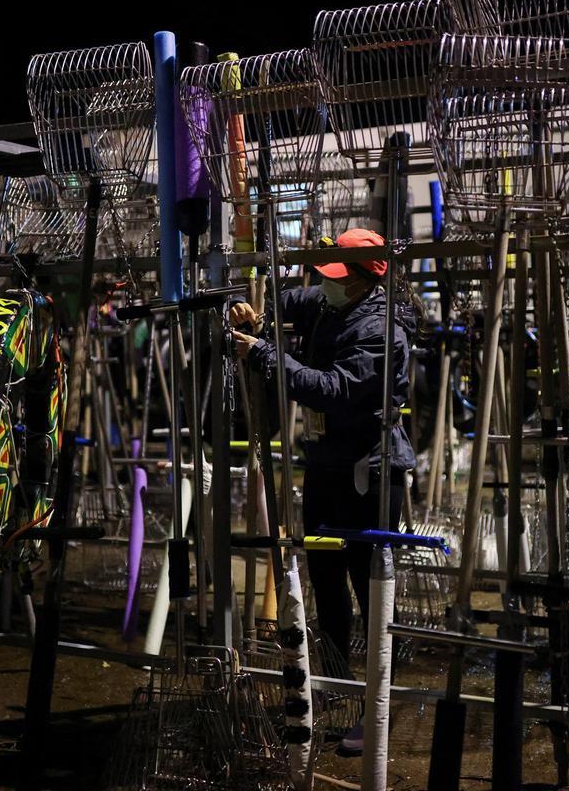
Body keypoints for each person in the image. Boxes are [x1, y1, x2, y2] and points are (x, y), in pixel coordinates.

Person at [229, 228, 417, 757]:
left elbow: (334, 390)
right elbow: (286, 299)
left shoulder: (380, 331)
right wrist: (254, 309)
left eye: (338, 278)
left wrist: (267, 353)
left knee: (371, 587)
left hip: (368, 472)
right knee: (326, 580)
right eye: (327, 274)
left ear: (365, 279)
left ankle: (376, 707)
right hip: (326, 466)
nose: (327, 285)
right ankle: (334, 683)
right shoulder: (336, 300)